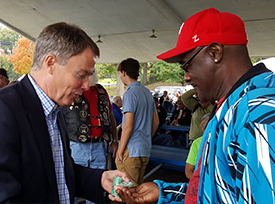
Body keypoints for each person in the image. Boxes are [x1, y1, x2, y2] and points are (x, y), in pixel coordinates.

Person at [112, 8, 275, 204]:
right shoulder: (232, 106)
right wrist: (166, 193)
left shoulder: (259, 113)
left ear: (215, 53)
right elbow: (219, 191)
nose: (186, 77)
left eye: (186, 65)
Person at [0, 22, 129, 203]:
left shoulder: (55, 110)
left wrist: (99, 179)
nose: (86, 86)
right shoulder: (5, 109)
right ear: (51, 63)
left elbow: (60, 172)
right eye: (81, 75)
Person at [61, 70, 119, 204]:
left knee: (97, 188)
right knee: (71, 185)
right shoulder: (70, 90)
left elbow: (110, 116)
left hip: (99, 146)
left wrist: (114, 139)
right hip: (75, 146)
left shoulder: (101, 91)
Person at [115, 58, 159, 186]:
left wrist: (120, 149)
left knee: (127, 191)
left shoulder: (130, 93)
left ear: (123, 73)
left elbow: (128, 126)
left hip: (131, 149)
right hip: (144, 148)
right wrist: (146, 137)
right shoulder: (147, 92)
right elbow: (155, 122)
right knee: (138, 191)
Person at [185, 113, 210, 179]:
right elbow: (188, 171)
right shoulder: (197, 143)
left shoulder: (223, 143)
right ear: (202, 128)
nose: (209, 130)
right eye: (206, 127)